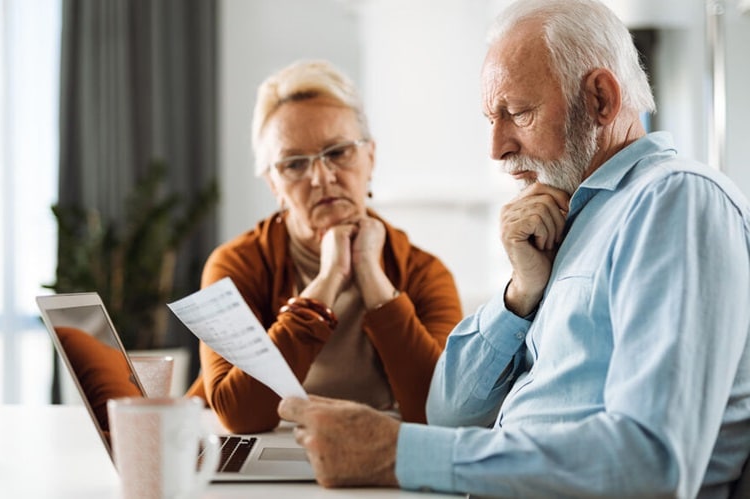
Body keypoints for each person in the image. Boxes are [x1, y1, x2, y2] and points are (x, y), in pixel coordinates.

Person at [277, 0, 750, 497]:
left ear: (601, 100)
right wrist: (520, 294)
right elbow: (449, 413)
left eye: (518, 113)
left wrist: (396, 454)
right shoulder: (568, 220)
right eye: (490, 119)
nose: (496, 148)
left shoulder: (675, 201)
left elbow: (652, 463)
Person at [190, 60, 463, 434]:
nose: (321, 178)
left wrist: (370, 275)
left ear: (371, 157)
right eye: (294, 164)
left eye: (338, 152)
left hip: (375, 450)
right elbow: (242, 416)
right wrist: (328, 279)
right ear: (273, 184)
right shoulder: (236, 265)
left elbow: (439, 412)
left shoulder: (423, 272)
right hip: (268, 454)